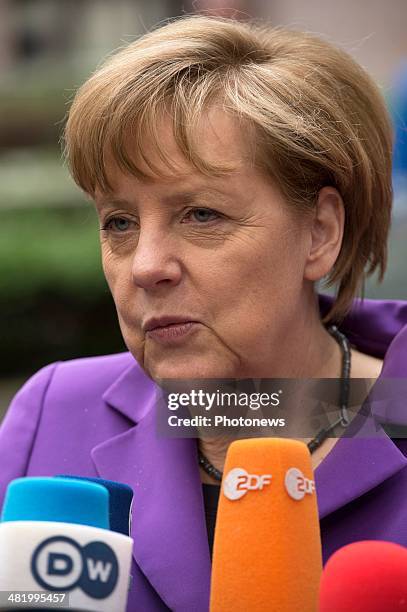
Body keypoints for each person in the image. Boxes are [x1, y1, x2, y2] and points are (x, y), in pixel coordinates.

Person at [1, 14, 407, 612]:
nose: (145, 266)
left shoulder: (394, 409)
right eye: (119, 223)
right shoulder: (55, 413)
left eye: (201, 215)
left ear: (320, 233)